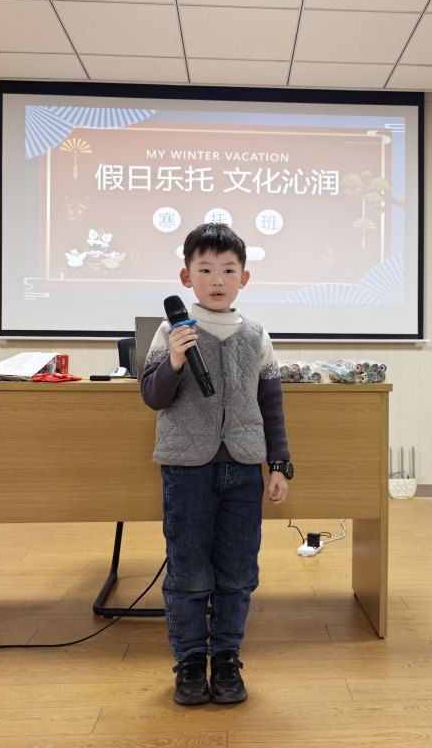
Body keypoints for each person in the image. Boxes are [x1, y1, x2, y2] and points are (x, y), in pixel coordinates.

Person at [140, 222, 294, 706]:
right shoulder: (171, 330)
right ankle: (190, 661)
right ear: (187, 278)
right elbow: (153, 396)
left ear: (244, 278)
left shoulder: (256, 334)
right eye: (205, 270)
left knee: (238, 571)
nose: (217, 280)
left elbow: (271, 405)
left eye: (228, 270)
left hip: (244, 467)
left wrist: (278, 464)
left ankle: (226, 658)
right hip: (187, 468)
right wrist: (174, 361)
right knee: (188, 572)